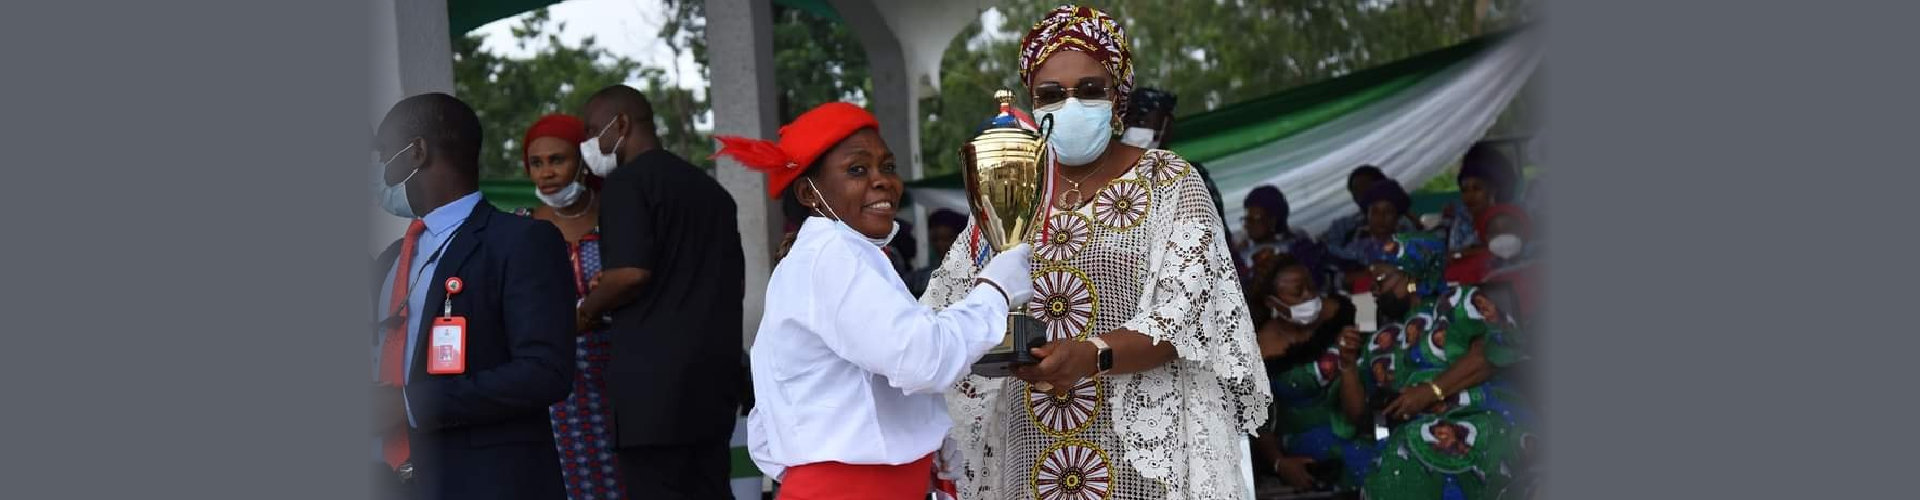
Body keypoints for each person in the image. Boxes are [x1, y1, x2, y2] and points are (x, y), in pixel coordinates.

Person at [922, 6, 1270, 498]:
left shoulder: (1169, 183)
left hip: (1145, 461)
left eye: (1089, 90)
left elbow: (1184, 317)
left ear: (1118, 99)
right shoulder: (1013, 189)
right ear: (1031, 103)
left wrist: (1091, 356)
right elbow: (946, 309)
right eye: (1050, 95)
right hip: (1033, 451)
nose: (1070, 105)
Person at [720, 101, 1035, 499]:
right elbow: (923, 359)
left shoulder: (840, 255)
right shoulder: (833, 253)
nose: (883, 180)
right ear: (808, 192)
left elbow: (836, 393)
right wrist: (995, 291)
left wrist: (920, 434)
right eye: (857, 169)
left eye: (887, 167)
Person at [371, 93, 576, 500]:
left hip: (484, 481)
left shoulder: (521, 242)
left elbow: (545, 371)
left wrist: (411, 404)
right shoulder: (393, 257)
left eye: (384, 156)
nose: (378, 173)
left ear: (416, 152)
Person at [575, 84, 746, 499]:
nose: (589, 144)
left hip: (653, 394)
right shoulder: (711, 192)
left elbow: (631, 273)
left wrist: (586, 311)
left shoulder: (627, 184)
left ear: (622, 125)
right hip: (713, 383)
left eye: (593, 131)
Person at [1358, 233, 1531, 500]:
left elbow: (1491, 353)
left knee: (1424, 447)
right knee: (1394, 456)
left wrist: (1432, 391)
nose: (1374, 288)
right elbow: (1359, 407)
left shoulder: (1458, 302)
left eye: (1381, 278)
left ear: (1412, 277)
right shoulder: (1385, 338)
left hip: (1480, 410)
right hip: (1418, 425)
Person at [509, 113, 625, 500]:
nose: (546, 173)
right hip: (556, 391)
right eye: (536, 163)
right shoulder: (520, 228)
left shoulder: (621, 217)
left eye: (557, 160)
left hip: (622, 381)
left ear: (582, 160)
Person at [1246, 256, 1375, 496]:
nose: (1309, 297)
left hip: (1358, 415)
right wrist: (1279, 463)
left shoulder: (1341, 313)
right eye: (1298, 292)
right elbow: (1256, 419)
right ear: (1272, 303)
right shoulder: (1257, 350)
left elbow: (1358, 412)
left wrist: (1349, 362)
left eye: (1312, 288)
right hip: (1302, 438)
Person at [1122, 87, 1235, 253]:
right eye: (1129, 121)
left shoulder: (1189, 176)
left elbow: (1216, 237)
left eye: (1142, 120)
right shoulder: (1115, 180)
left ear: (1167, 126)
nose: (1132, 128)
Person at [1327, 178, 1419, 293]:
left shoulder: (1412, 246)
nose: (1381, 217)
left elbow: (1418, 283)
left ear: (1397, 217)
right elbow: (1340, 282)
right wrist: (1369, 271)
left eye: (1388, 211)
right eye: (1375, 212)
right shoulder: (1356, 248)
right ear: (1367, 216)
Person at [1235, 185, 1323, 287]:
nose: (1246, 225)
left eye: (1253, 220)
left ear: (1272, 221)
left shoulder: (1299, 248)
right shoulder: (1242, 250)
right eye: (1246, 219)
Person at [907, 209, 968, 297]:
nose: (940, 244)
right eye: (935, 239)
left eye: (946, 239)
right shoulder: (917, 279)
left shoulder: (974, 275)